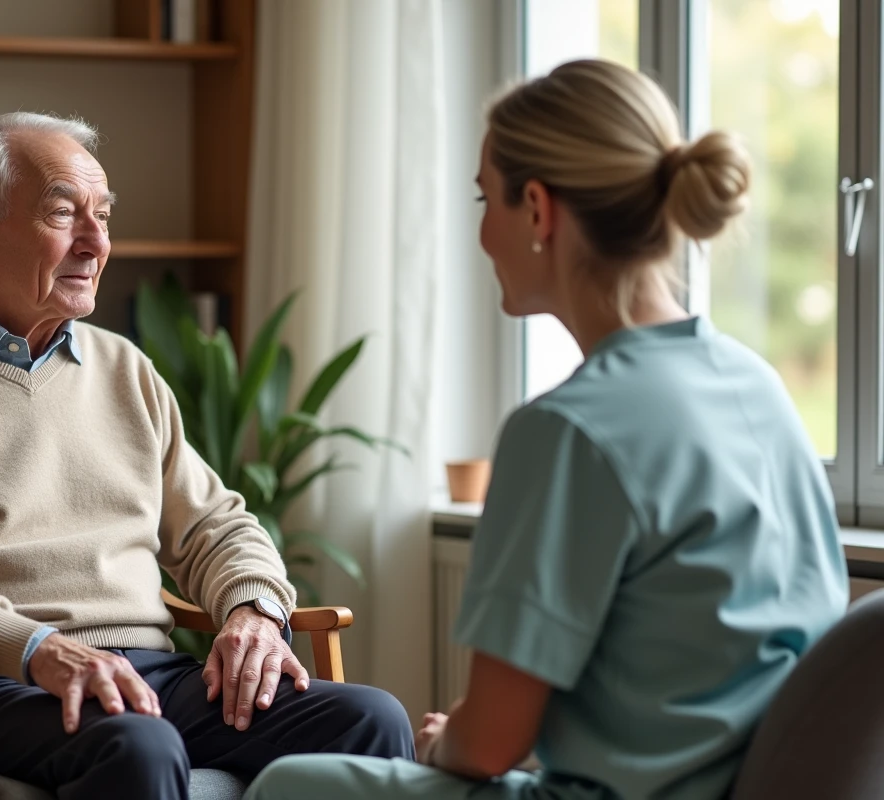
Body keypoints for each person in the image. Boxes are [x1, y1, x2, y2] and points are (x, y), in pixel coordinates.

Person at [245, 58, 848, 800]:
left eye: (482, 200)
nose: (481, 234)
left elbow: (491, 743)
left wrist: (443, 740)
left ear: (537, 209)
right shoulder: (756, 384)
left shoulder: (568, 430)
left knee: (287, 785)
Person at [0, 111, 413, 800]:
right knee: (135, 746)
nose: (96, 242)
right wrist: (31, 647)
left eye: (104, 216)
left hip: (137, 671)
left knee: (369, 721)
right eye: (65, 214)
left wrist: (253, 611)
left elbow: (217, 526)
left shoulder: (125, 370)